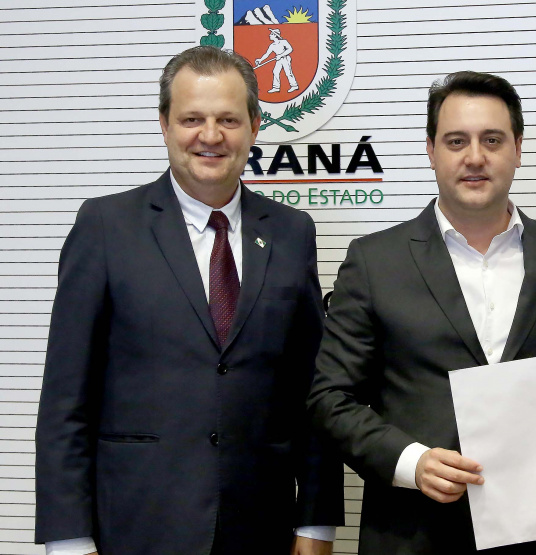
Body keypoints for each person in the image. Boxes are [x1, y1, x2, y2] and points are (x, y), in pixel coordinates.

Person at [34, 46, 342, 555]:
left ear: (254, 126)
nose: (211, 136)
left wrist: (316, 525)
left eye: (228, 119)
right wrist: (68, 539)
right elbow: (66, 399)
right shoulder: (105, 226)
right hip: (135, 527)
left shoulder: (292, 233)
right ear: (164, 124)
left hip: (260, 529)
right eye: (192, 119)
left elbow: (311, 391)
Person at [306, 71, 536, 555]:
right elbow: (330, 398)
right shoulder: (374, 261)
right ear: (431, 151)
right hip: (412, 535)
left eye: (492, 140)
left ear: (518, 148)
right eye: (457, 141)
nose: (475, 157)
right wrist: (411, 462)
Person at [256, 28, 298, 93]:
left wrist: (281, 55)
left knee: (288, 72)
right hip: (279, 59)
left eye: (271, 34)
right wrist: (260, 60)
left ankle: (294, 85)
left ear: (275, 35)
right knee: (275, 71)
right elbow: (267, 54)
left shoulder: (283, 42)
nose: (269, 35)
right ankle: (276, 87)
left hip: (285, 58)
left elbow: (290, 49)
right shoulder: (272, 45)